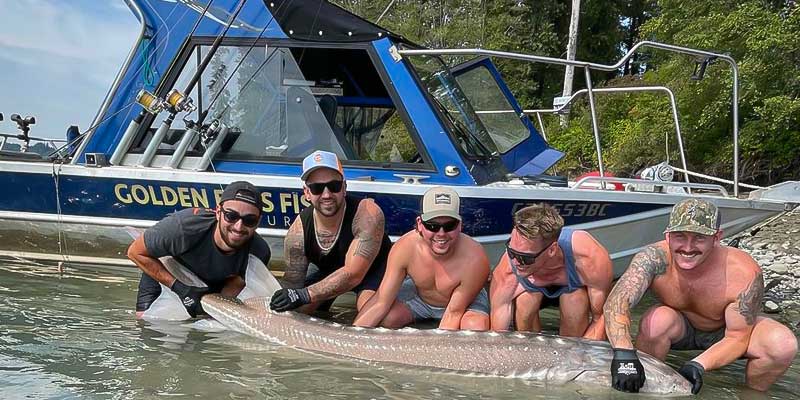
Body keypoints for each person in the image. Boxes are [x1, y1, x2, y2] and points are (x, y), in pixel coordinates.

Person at [604, 198, 797, 394]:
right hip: (680, 327)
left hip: (726, 332)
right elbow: (617, 302)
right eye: (680, 236)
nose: (688, 248)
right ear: (668, 236)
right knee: (657, 321)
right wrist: (624, 354)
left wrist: (697, 365)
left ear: (716, 237)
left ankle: (751, 394)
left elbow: (737, 337)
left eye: (699, 238)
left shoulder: (743, 272)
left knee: (782, 344)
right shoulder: (653, 258)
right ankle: (643, 385)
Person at [269, 150, 392, 313]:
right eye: (317, 188)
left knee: (369, 313)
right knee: (295, 311)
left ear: (344, 187)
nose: (326, 194)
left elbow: (354, 274)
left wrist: (305, 294)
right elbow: (292, 284)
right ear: (307, 193)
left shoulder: (368, 213)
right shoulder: (298, 233)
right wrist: (284, 301)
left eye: (334, 186)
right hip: (329, 273)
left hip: (373, 271)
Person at [353, 186, 490, 330]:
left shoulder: (475, 257)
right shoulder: (405, 247)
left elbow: (453, 313)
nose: (441, 233)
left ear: (460, 225)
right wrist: (353, 336)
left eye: (449, 225)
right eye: (432, 226)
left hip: (462, 306)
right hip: (419, 298)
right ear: (420, 224)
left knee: (475, 326)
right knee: (388, 319)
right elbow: (381, 301)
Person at [128, 181, 271, 318]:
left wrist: (215, 310)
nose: (238, 227)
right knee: (146, 321)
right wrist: (180, 289)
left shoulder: (259, 252)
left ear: (258, 222)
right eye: (231, 216)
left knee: (207, 321)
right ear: (218, 212)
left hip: (211, 285)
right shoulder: (183, 226)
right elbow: (135, 252)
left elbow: (235, 284)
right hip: (168, 270)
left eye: (249, 220)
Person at [489, 203, 613, 340]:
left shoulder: (590, 257)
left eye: (525, 257)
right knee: (526, 302)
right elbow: (496, 335)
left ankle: (570, 347)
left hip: (573, 291)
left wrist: (582, 353)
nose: (516, 261)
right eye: (512, 252)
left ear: (552, 250)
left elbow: (601, 317)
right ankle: (531, 348)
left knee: (575, 302)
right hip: (531, 291)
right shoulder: (508, 268)